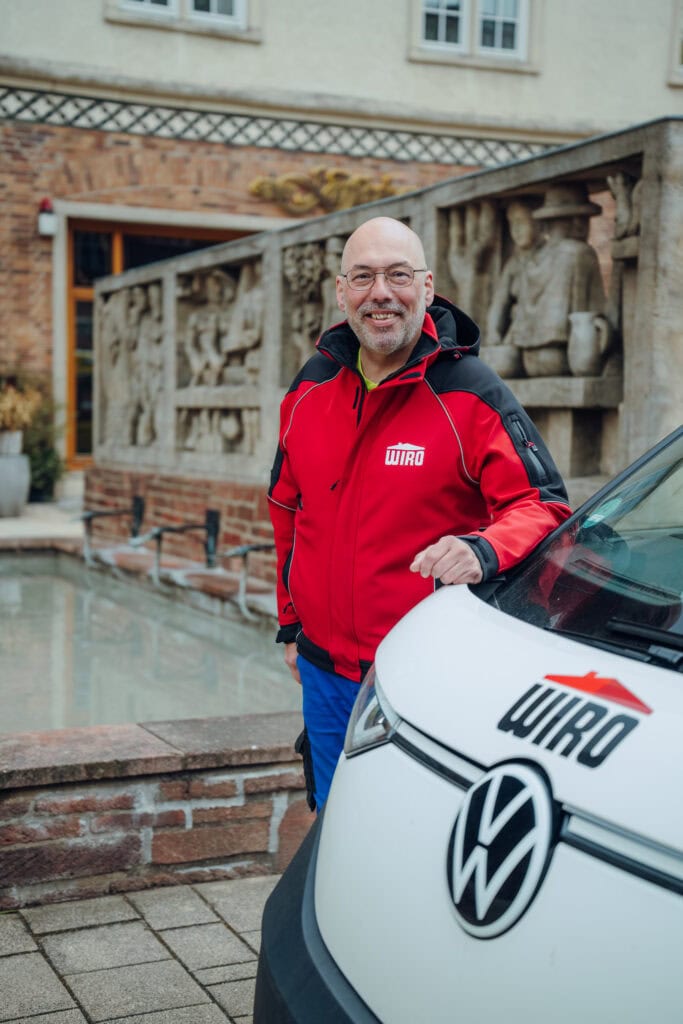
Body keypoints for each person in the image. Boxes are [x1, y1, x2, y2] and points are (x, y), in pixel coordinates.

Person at [268, 216, 571, 809]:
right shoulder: (309, 388)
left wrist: (483, 549)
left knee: (413, 824)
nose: (381, 293)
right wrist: (290, 623)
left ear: (427, 288)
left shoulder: (470, 390)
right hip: (324, 671)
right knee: (333, 816)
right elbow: (286, 506)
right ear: (341, 291)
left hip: (425, 671)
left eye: (398, 275)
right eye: (363, 277)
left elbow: (544, 505)